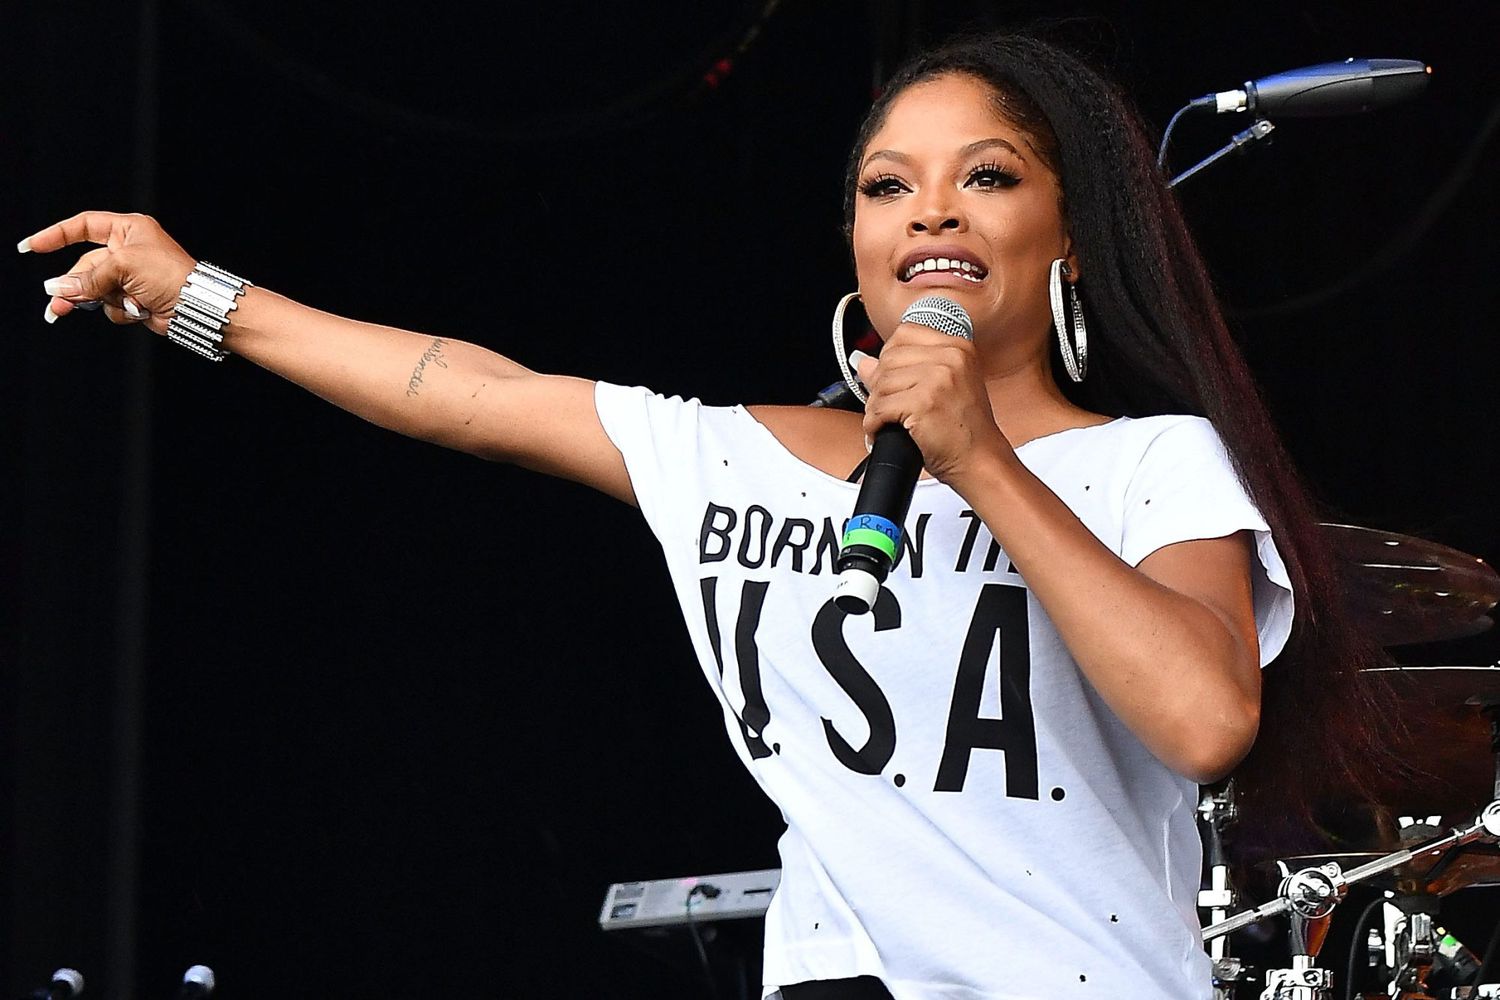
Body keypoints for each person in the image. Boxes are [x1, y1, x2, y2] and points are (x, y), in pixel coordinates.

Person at [20, 31, 1384, 1000]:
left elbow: (1208, 720)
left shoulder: (1152, 468)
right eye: (886, 185)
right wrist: (197, 294)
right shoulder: (734, 459)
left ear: (1069, 233)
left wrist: (981, 460)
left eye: (988, 175)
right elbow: (474, 393)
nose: (929, 214)